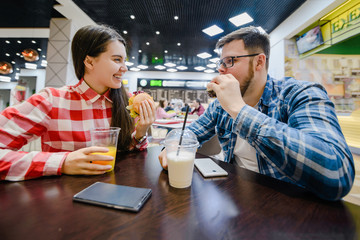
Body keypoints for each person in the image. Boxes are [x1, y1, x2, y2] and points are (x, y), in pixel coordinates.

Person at [159, 26, 355, 201]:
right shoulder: (219, 106)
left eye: (230, 61)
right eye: (221, 62)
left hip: (290, 213)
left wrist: (240, 110)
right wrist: (175, 143)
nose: (220, 68)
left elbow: (337, 174)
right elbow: (191, 132)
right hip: (236, 205)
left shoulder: (300, 94)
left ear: (259, 62)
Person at [0, 24, 156, 181]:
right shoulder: (51, 101)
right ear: (89, 62)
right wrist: (62, 162)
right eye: (117, 59)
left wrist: (141, 132)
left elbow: (128, 155)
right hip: (62, 199)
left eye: (124, 61)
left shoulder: (126, 102)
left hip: (116, 193)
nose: (124, 68)